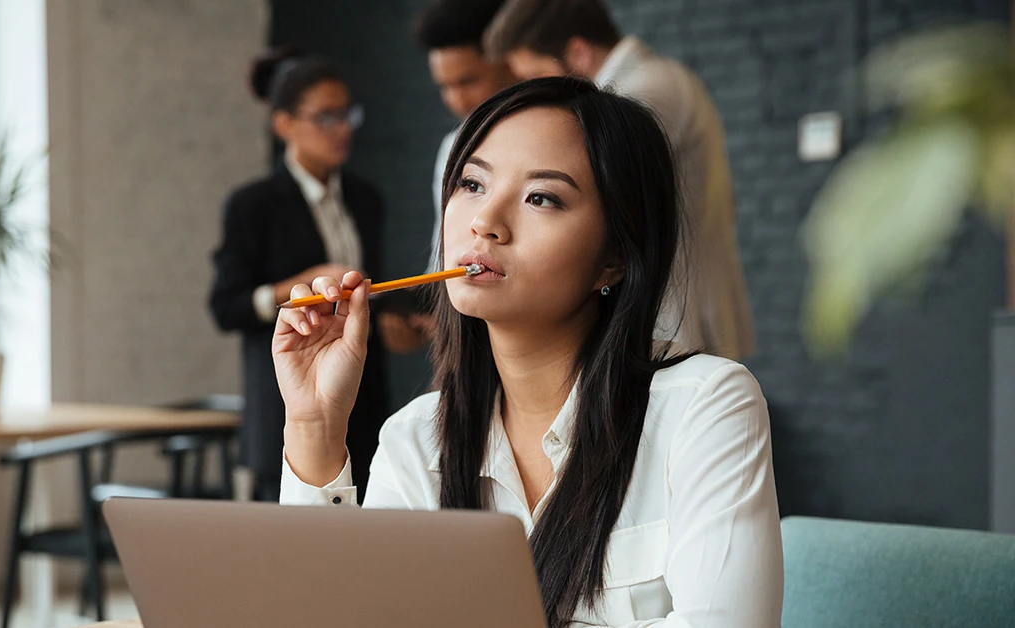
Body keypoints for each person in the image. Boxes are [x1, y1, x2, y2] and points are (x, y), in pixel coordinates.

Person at [273, 77, 782, 627]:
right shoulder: (416, 438)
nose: (484, 222)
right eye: (472, 184)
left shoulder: (705, 407)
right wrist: (315, 426)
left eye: (541, 197)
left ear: (613, 257)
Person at [484, 0, 756, 361]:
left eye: (536, 76)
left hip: (675, 319)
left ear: (578, 53)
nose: (537, 94)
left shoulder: (640, 94)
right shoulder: (662, 79)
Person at [208, 49, 387, 502]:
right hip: (286, 405)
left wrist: (391, 322)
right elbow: (226, 306)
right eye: (326, 116)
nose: (343, 128)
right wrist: (297, 286)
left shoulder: (366, 199)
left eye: (347, 114)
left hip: (363, 403)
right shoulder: (253, 205)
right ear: (284, 124)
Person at [377, 0, 519, 355]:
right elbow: (444, 258)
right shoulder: (452, 148)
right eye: (445, 85)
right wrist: (417, 311)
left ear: (510, 58)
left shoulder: (568, 137)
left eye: (468, 80)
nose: (456, 100)